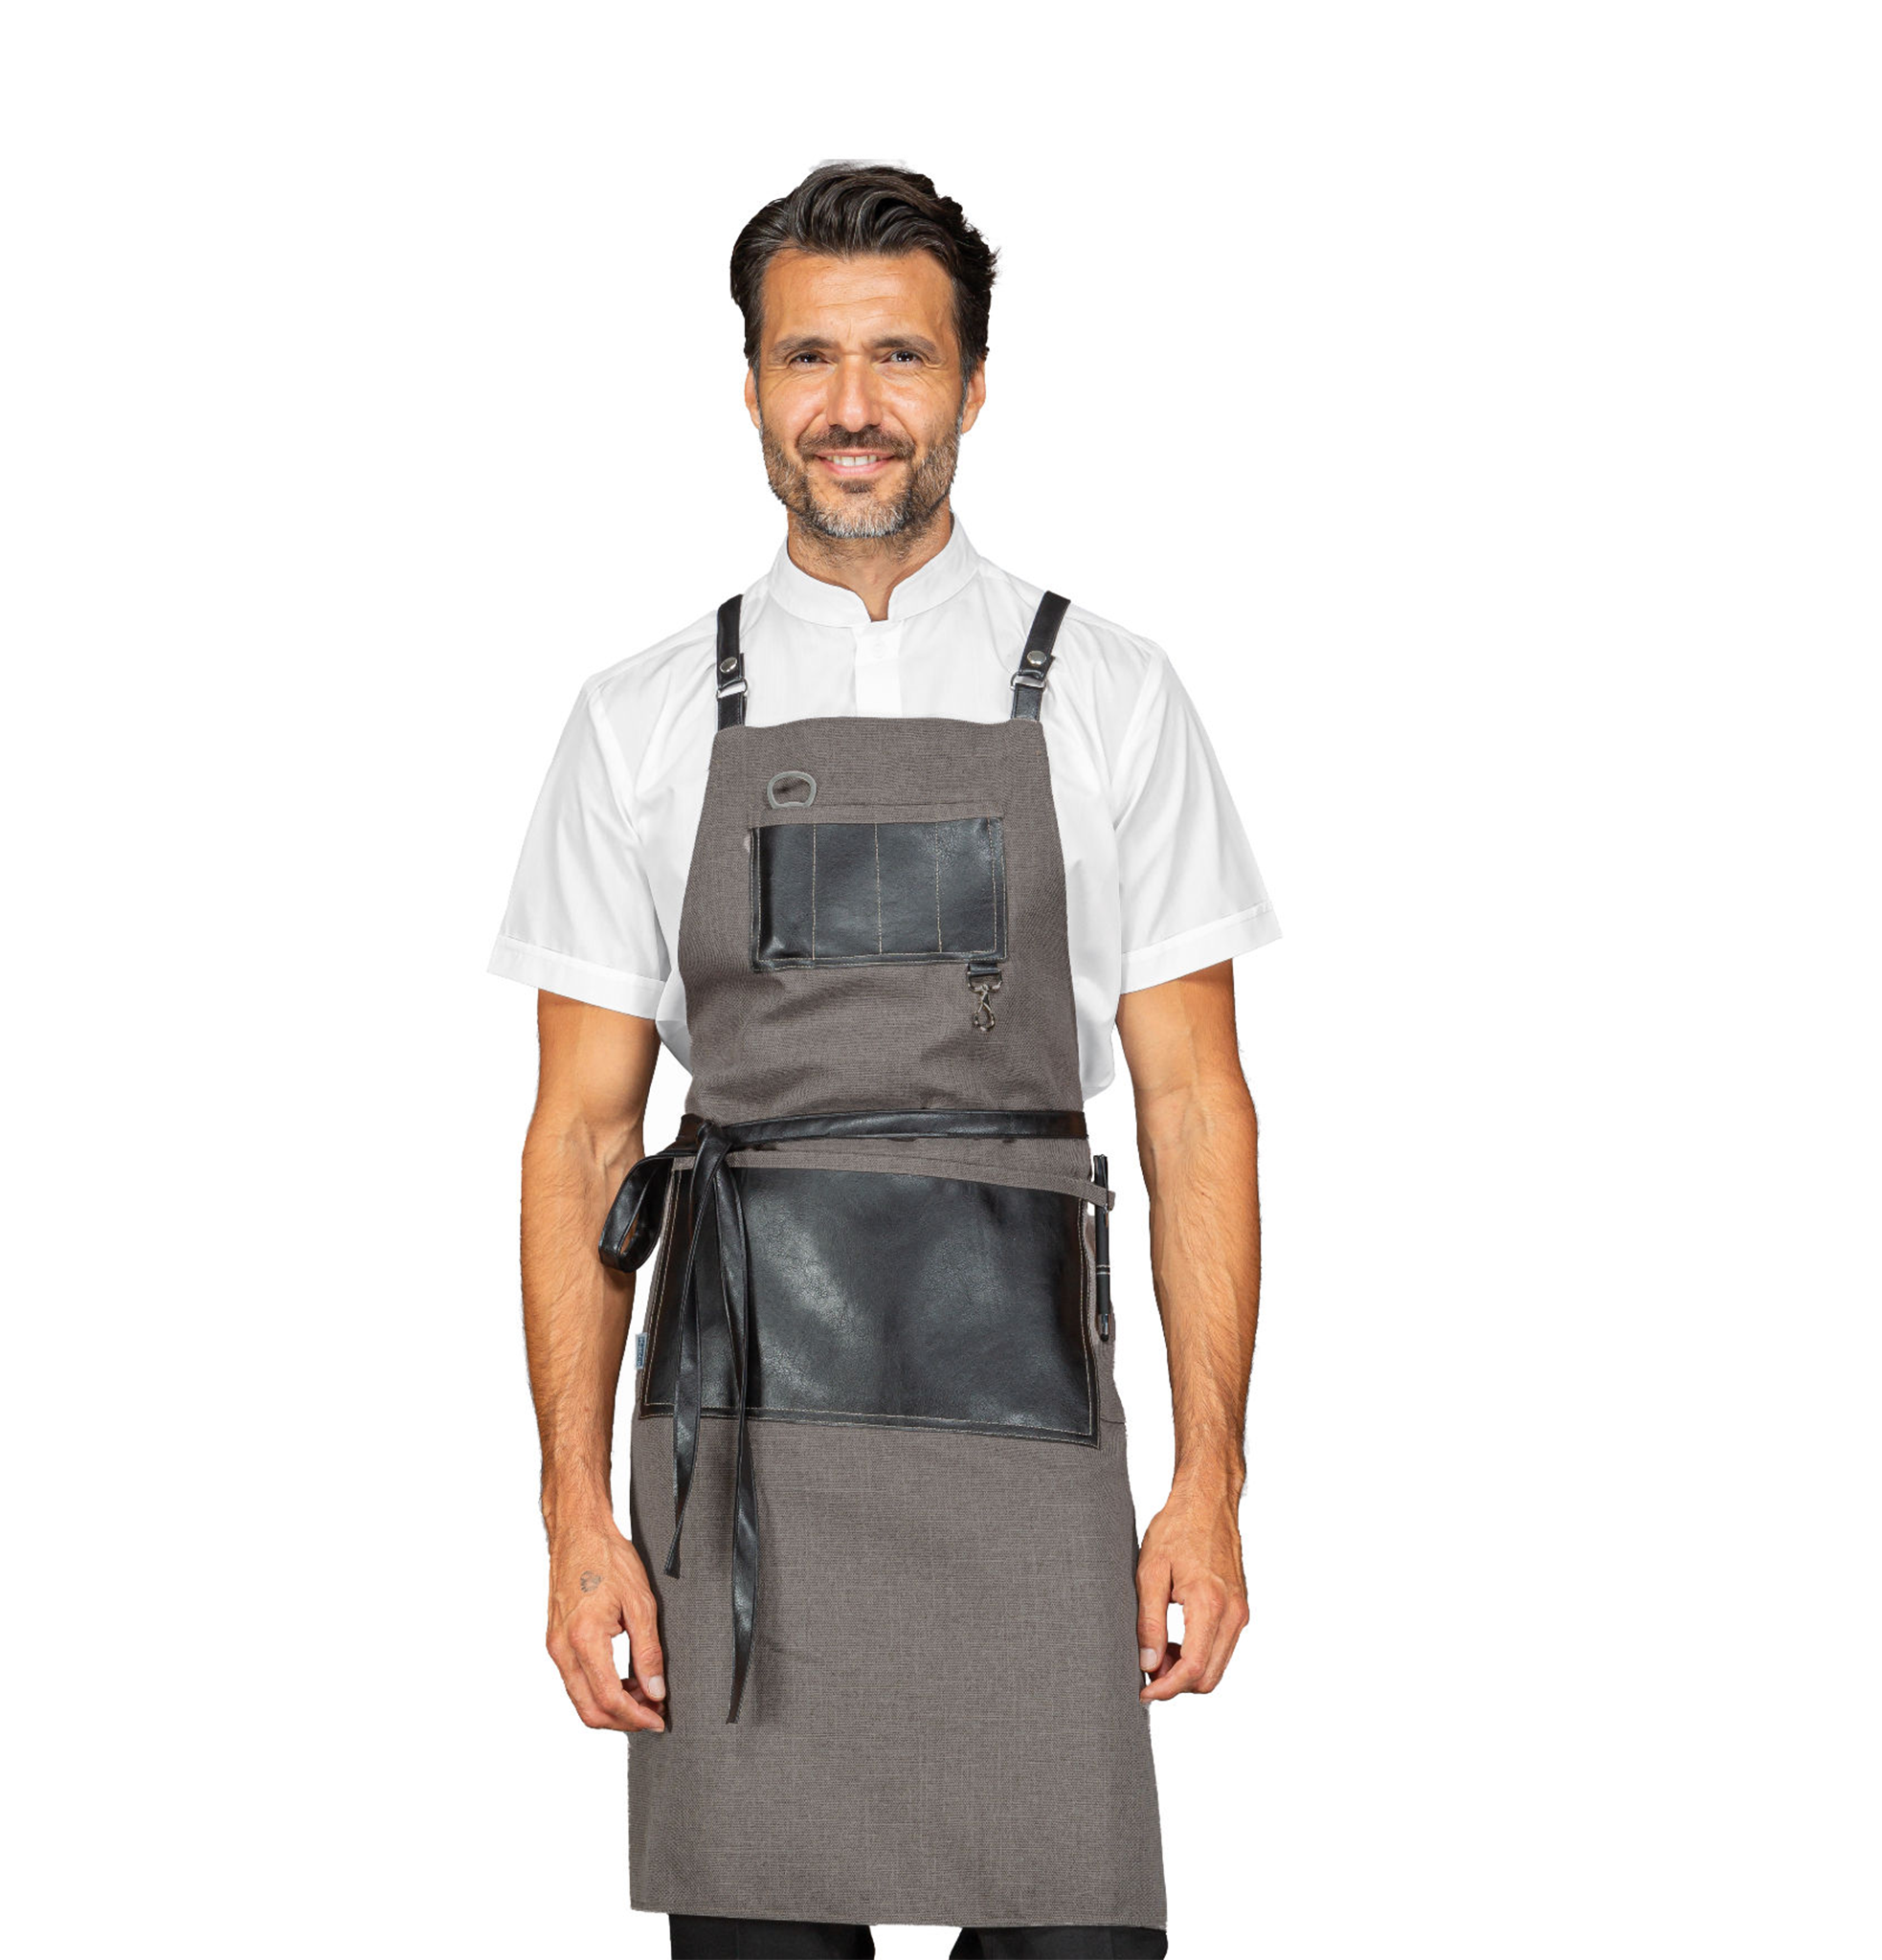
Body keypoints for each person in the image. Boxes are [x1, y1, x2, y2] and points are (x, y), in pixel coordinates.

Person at [490, 163, 1279, 1960]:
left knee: (1076, 1930)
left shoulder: (1113, 694)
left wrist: (1211, 1485)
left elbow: (1195, 1110)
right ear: (752, 386)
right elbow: (582, 1139)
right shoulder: (638, 718)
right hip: (736, 1449)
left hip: (1030, 1435)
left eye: (901, 357)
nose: (853, 407)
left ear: (974, 385)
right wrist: (573, 1520)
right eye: (809, 358)